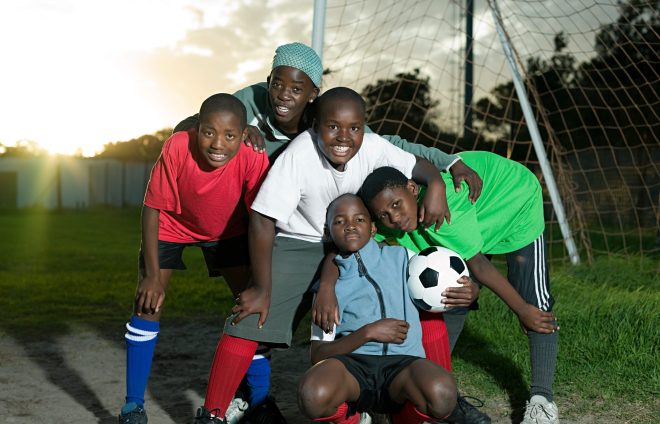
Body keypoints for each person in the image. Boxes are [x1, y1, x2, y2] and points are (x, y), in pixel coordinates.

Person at [175, 41, 485, 421]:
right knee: (248, 315)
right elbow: (263, 219)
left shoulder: (372, 146)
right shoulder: (299, 154)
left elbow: (417, 164)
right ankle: (213, 412)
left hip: (357, 239)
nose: (343, 137)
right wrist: (261, 287)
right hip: (303, 241)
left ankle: (435, 406)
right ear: (316, 125)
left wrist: (436, 184)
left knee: (422, 296)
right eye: (333, 128)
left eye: (353, 128)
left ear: (363, 128)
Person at [356, 151, 561, 424]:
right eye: (384, 214)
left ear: (413, 189)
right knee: (449, 295)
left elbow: (479, 266)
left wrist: (521, 309)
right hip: (471, 219)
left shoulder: (445, 207)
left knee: (535, 306)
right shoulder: (392, 222)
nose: (393, 218)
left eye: (396, 205)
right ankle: (426, 390)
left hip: (512, 201)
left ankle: (542, 401)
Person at [117, 93, 269, 424]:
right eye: (209, 132)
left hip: (228, 230)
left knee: (252, 309)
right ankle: (132, 406)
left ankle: (259, 400)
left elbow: (261, 217)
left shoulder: (253, 156)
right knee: (148, 302)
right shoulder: (176, 147)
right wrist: (152, 275)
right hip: (173, 224)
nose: (217, 143)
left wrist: (261, 281)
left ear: (243, 135)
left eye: (230, 135)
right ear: (196, 128)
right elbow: (153, 208)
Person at [298, 193, 457, 424]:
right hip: (353, 368)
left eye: (359, 219)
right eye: (339, 221)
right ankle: (354, 418)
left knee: (442, 395)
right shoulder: (327, 291)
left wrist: (466, 292)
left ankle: (399, 418)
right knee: (312, 396)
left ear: (373, 229)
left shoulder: (403, 258)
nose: (350, 226)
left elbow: (444, 282)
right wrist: (367, 333)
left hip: (403, 365)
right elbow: (318, 354)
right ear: (328, 231)